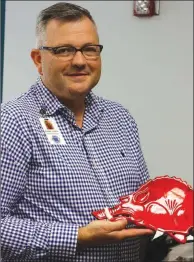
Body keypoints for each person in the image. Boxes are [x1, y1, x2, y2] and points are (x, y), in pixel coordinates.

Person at [1, 2, 154, 261]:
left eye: (89, 50)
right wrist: (77, 236)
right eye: (64, 50)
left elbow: (144, 202)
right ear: (38, 60)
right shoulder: (14, 121)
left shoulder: (120, 118)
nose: (80, 61)